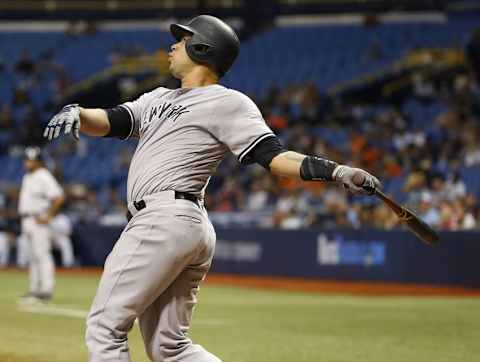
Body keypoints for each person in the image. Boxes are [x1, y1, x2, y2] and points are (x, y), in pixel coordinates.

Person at [43, 15, 380, 362]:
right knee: (168, 347)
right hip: (182, 224)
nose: (173, 45)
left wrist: (336, 170)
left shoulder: (227, 102)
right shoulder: (156, 97)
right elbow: (114, 120)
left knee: (104, 326)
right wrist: (80, 112)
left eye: (183, 39)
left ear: (202, 48)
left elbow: (274, 157)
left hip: (165, 219)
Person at [18, 146, 65, 302]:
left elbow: (58, 197)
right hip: (27, 220)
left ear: (39, 161)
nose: (28, 162)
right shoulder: (27, 177)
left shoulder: (43, 175)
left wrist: (49, 215)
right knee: (32, 256)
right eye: (27, 159)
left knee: (42, 255)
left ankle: (46, 290)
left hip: (39, 220)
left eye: (32, 160)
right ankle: (34, 289)